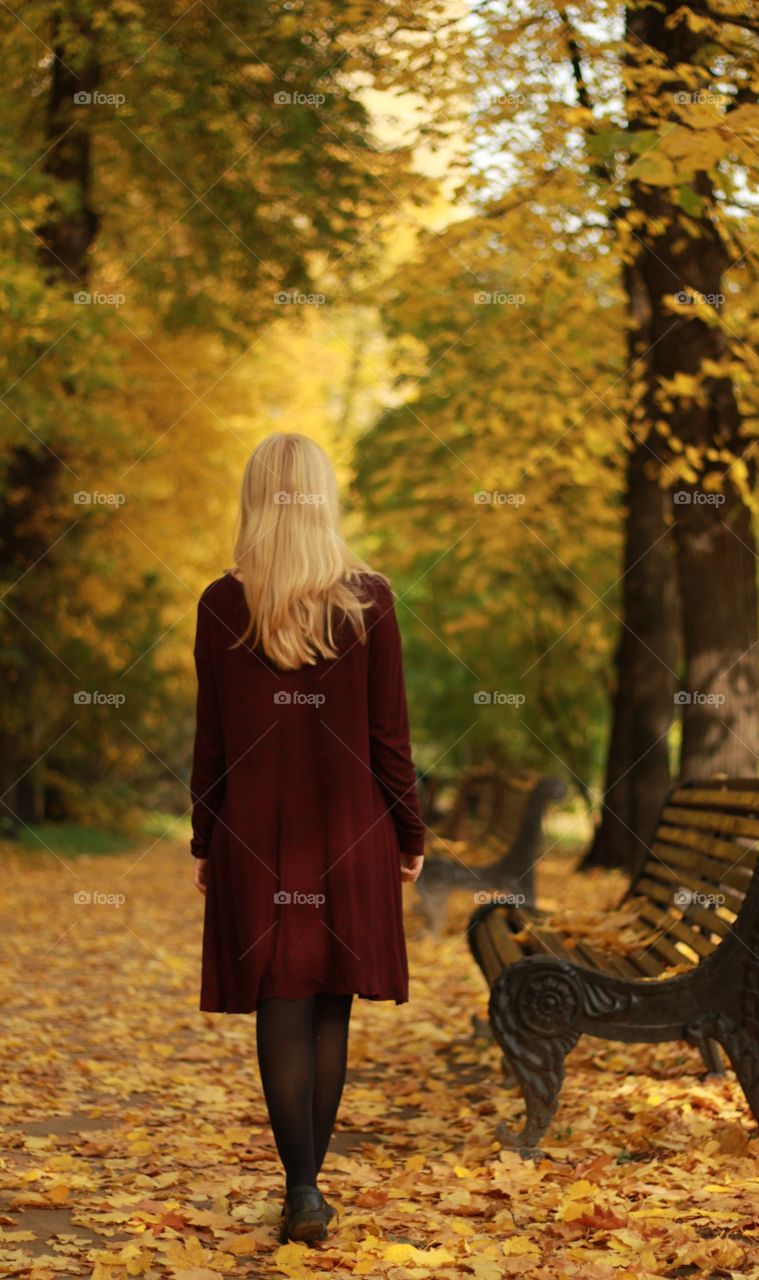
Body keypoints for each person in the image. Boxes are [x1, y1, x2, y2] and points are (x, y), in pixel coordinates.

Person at [189, 431, 425, 1244]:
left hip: (252, 838)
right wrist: (408, 830)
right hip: (351, 833)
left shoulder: (224, 603)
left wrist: (201, 838)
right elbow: (389, 737)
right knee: (329, 1009)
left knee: (280, 1003)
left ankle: (301, 1188)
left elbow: (210, 743)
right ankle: (308, 1190)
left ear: (257, 499)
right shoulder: (369, 600)